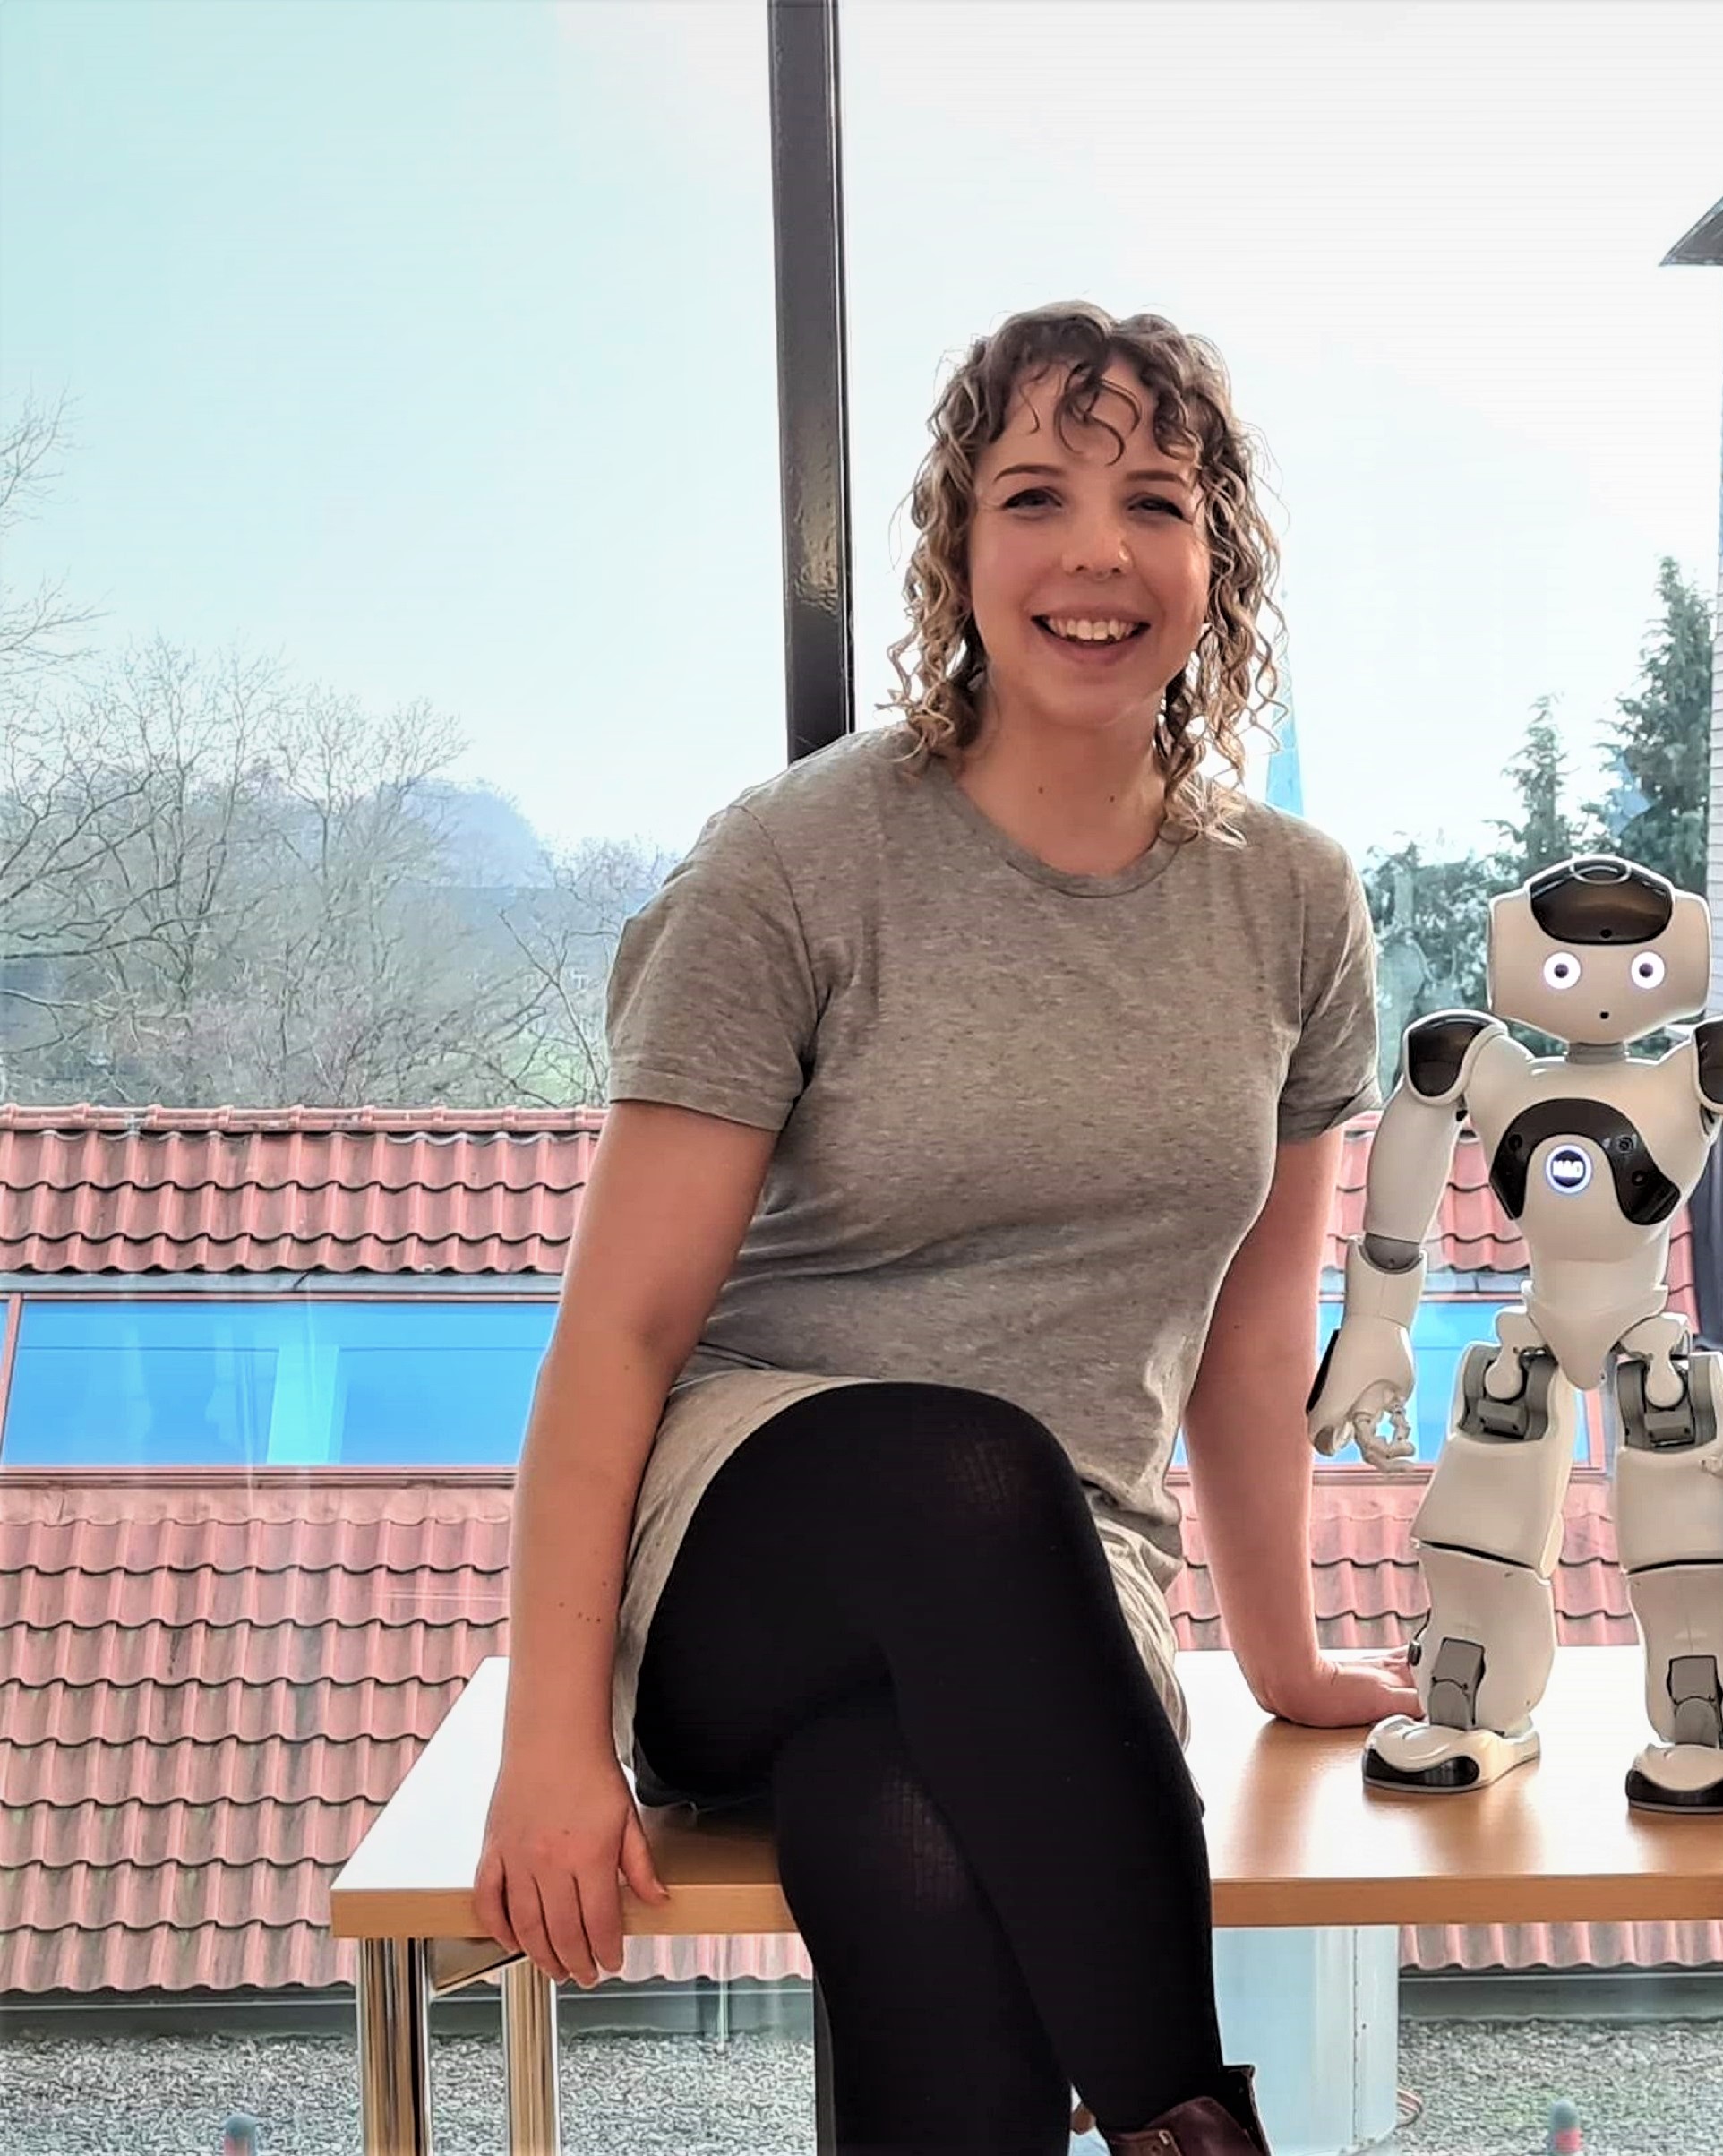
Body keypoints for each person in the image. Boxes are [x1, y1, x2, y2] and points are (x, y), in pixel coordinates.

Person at [477, 303, 1406, 2156]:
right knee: (962, 1471)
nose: (1094, 553)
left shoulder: (1293, 905)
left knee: (899, 1831)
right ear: (957, 548)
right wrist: (548, 1742)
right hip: (748, 1551)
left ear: (1217, 559)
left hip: (1071, 1593)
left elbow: (1245, 1343)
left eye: (1154, 502)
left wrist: (1286, 1662)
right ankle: (1193, 2126)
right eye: (1033, 496)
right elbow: (624, 1330)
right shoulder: (795, 864)